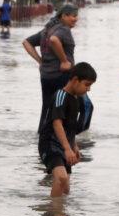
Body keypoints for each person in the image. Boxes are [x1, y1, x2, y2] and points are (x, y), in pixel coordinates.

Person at [39, 61, 97, 197]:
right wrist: (67, 149)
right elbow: (57, 123)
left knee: (65, 189)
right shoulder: (61, 96)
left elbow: (69, 127)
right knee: (61, 178)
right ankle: (54, 215)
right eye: (87, 85)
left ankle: (58, 213)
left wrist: (73, 146)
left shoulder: (76, 99)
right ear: (76, 80)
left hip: (64, 144)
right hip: (50, 143)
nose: (88, 89)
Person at [23, 3, 79, 130]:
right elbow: (54, 40)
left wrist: (40, 61)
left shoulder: (47, 30)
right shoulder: (63, 29)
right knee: (63, 108)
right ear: (64, 16)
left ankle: (42, 135)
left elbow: (27, 42)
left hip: (46, 76)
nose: (76, 19)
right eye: (73, 16)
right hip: (61, 76)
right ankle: (63, 138)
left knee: (47, 108)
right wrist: (64, 61)